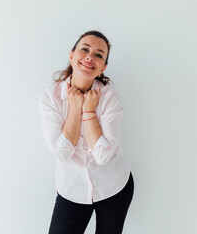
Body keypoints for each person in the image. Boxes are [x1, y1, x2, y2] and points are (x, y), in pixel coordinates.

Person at [38, 30, 134, 234]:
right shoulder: (50, 98)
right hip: (72, 190)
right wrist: (75, 108)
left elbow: (102, 155)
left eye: (99, 54)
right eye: (85, 49)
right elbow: (63, 154)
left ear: (102, 68)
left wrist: (89, 110)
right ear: (72, 56)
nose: (91, 56)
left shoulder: (109, 98)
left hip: (113, 186)